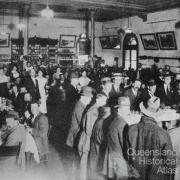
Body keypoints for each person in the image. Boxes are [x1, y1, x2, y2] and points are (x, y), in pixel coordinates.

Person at [126, 96, 176, 180]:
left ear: (143, 111)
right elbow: (170, 162)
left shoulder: (130, 130)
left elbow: (125, 158)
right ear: (156, 114)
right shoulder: (163, 133)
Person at [102, 97, 138, 180]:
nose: (129, 109)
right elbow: (125, 145)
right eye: (126, 107)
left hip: (113, 156)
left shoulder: (116, 120)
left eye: (129, 106)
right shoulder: (122, 124)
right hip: (120, 160)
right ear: (119, 109)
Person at [78, 94, 107, 180]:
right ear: (98, 100)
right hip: (87, 142)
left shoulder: (95, 109)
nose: (105, 103)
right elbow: (89, 130)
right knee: (84, 166)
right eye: (104, 101)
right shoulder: (93, 112)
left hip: (88, 140)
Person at [89, 106, 112, 180]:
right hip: (97, 152)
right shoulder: (102, 123)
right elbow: (100, 139)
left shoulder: (99, 120)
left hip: (95, 151)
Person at [31, 102, 49, 167]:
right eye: (31, 107)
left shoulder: (42, 117)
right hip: (35, 139)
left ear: (38, 107)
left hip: (40, 143)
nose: (32, 109)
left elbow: (43, 133)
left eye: (34, 107)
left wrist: (31, 130)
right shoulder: (35, 116)